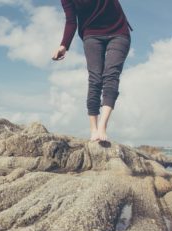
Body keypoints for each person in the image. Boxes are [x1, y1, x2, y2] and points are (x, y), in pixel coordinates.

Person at [52, 0, 133, 142]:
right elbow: (71, 21)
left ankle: (102, 126)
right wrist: (64, 45)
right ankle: (93, 129)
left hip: (118, 31)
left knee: (111, 75)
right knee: (95, 79)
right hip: (92, 34)